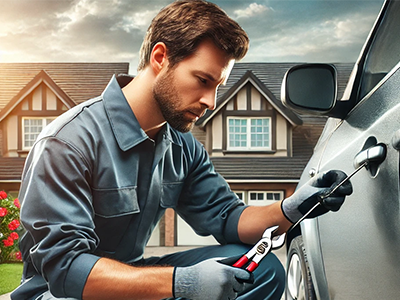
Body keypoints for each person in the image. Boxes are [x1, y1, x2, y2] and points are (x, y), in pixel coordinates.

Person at [12, 1, 353, 300]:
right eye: (203, 80)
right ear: (160, 58)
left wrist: (291, 207)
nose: (211, 102)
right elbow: (65, 269)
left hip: (130, 280)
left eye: (218, 87)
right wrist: (181, 283)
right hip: (59, 293)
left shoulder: (182, 145)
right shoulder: (68, 142)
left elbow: (228, 218)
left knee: (257, 270)